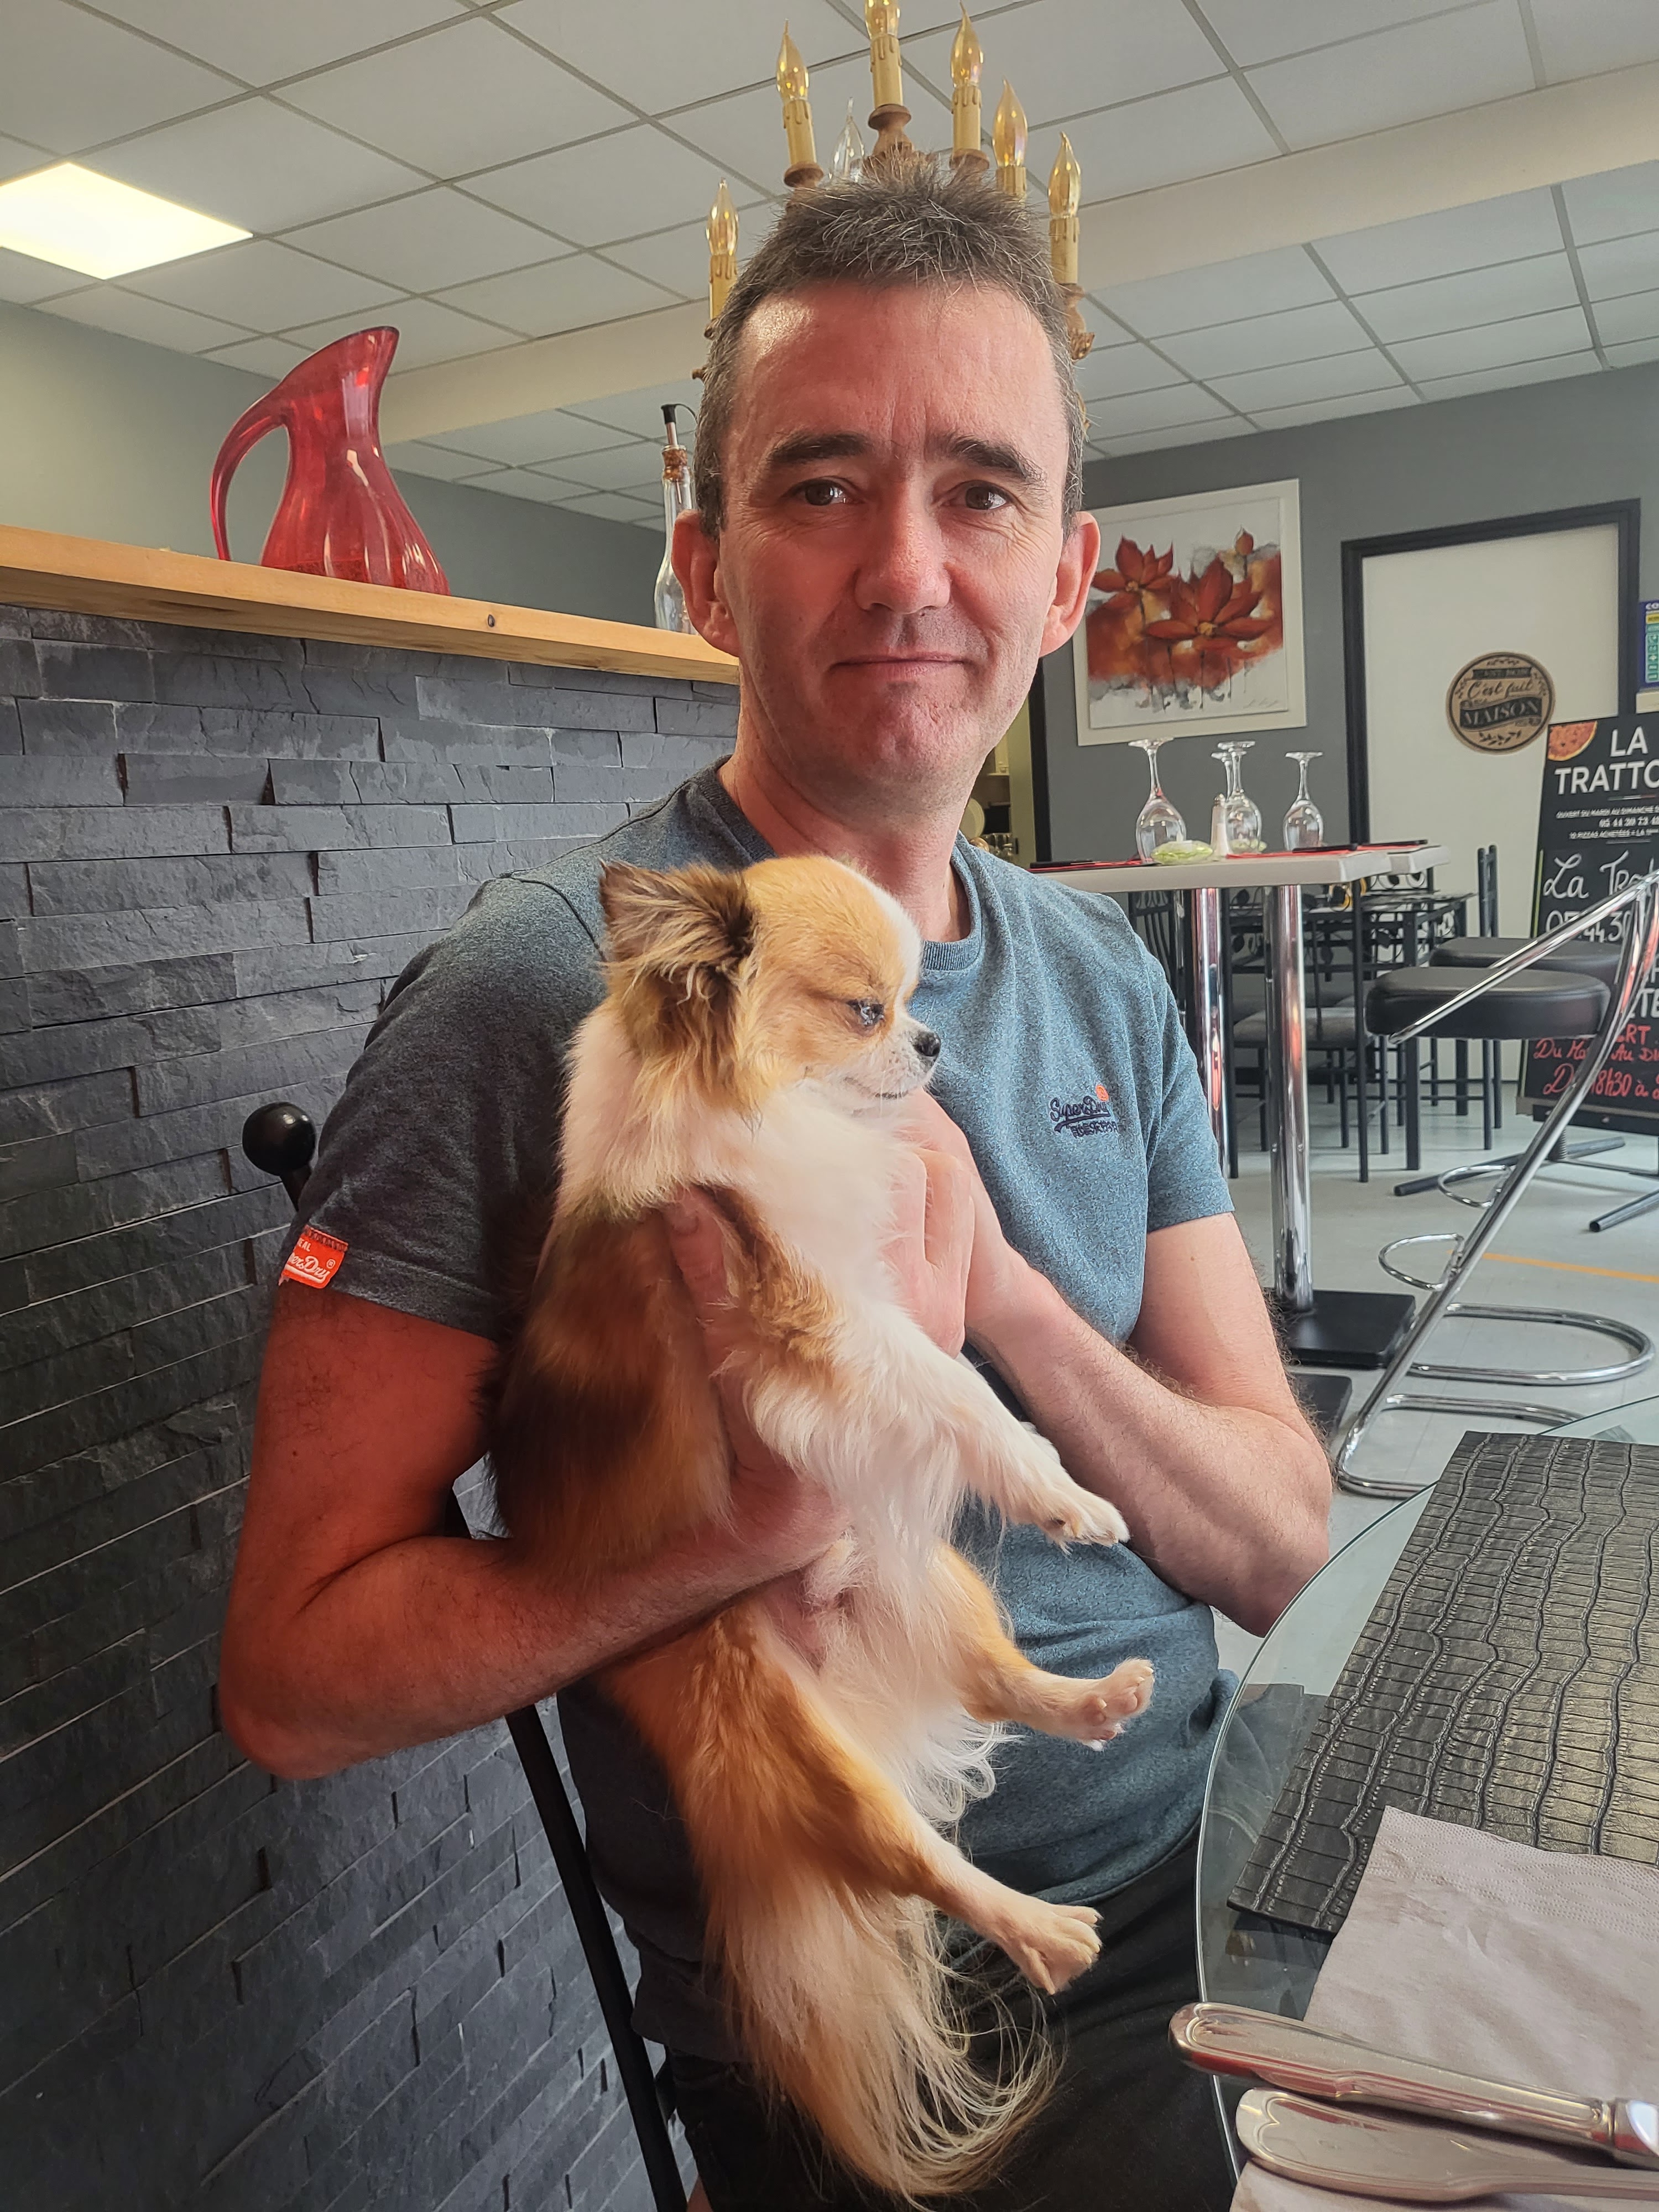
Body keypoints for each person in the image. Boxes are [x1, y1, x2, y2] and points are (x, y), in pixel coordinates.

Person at [221, 162, 1331, 2211]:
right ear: (705, 570)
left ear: (1068, 578)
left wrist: (1005, 1302)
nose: (907, 569)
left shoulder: (1102, 973)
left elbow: (1282, 1549)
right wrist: (739, 1533)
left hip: (1232, 1863)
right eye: (821, 487)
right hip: (894, 1977)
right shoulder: (541, 996)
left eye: (982, 492)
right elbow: (291, 1672)